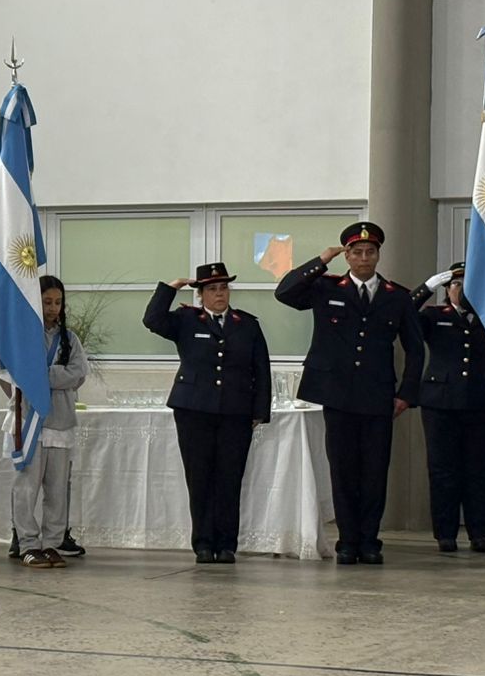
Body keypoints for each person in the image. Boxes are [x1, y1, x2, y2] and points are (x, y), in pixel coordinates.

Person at [275, 222, 422, 565]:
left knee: (374, 471)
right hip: (337, 394)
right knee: (342, 471)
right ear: (348, 256)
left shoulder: (396, 296)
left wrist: (406, 393)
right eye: (357, 252)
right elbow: (285, 293)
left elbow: (415, 348)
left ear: (378, 255)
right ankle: (347, 540)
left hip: (378, 395)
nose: (364, 258)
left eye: (370, 252)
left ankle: (369, 540)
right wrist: (321, 260)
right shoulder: (325, 287)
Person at [144, 261, 271, 563]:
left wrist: (260, 410)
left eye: (223, 288)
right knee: (199, 478)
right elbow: (152, 320)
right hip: (193, 410)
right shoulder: (186, 320)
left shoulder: (247, 324)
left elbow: (261, 369)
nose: (219, 294)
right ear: (201, 294)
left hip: (235, 411)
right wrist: (170, 288)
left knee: (229, 478)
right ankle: (202, 543)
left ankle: (226, 544)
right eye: (212, 289)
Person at [410, 262, 485, 553]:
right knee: (442, 470)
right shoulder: (434, 315)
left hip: (479, 401)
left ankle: (479, 532)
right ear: (447, 289)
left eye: (468, 284)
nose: (462, 289)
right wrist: (426, 288)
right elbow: (402, 315)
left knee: (479, 470)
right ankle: (445, 532)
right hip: (440, 403)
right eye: (456, 284)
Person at [9, 276, 90, 569]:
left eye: (58, 302)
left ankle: (52, 543)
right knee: (27, 487)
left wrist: (42, 375)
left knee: (57, 490)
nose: (53, 308)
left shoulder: (70, 339)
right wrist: (53, 375)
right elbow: (13, 375)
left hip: (60, 421)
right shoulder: (22, 335)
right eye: (47, 302)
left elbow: (78, 373)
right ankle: (28, 543)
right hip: (29, 421)